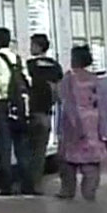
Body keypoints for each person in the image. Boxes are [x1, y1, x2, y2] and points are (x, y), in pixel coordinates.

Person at [57, 46, 107, 201]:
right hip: (93, 122)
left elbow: (64, 100)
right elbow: (102, 103)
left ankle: (68, 190)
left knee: (68, 160)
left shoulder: (69, 78)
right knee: (91, 162)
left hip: (74, 121)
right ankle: (89, 192)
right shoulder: (94, 78)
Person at [0, 27, 34, 197]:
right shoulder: (17, 59)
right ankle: (27, 186)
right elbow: (27, 80)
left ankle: (6, 187)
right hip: (19, 106)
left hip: (4, 106)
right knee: (21, 147)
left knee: (5, 148)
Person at [26, 34, 63, 194]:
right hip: (47, 113)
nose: (30, 48)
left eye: (32, 45)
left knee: (27, 150)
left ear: (38, 47)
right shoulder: (54, 66)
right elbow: (58, 89)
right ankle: (36, 184)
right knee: (40, 151)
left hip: (31, 112)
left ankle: (27, 183)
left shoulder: (29, 65)